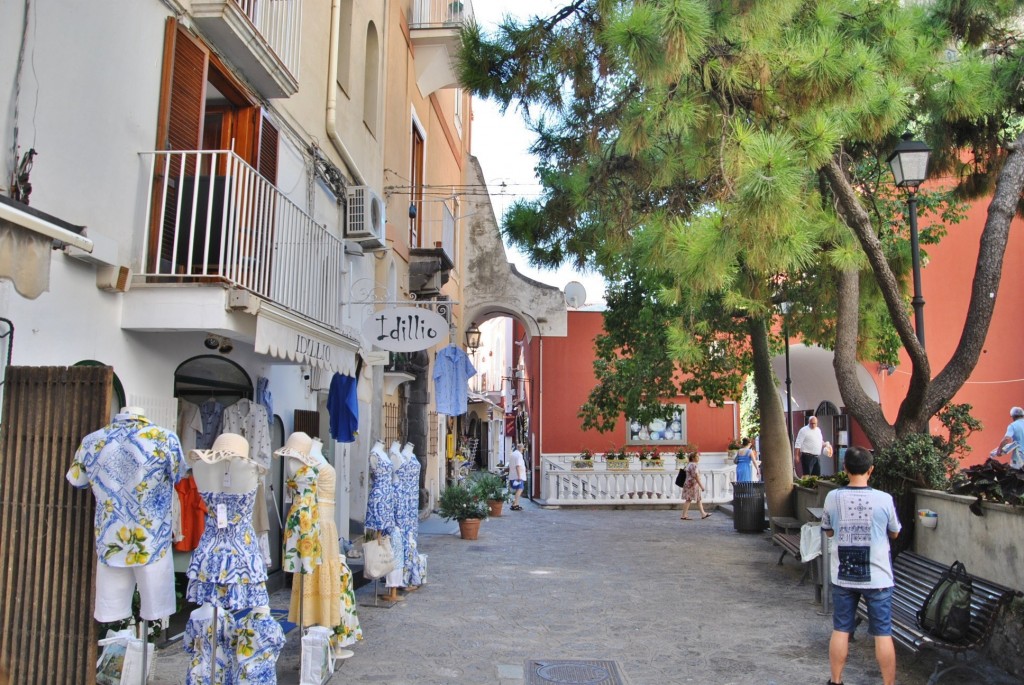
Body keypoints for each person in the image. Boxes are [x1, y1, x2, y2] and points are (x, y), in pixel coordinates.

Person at [820, 446, 901, 685]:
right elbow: (895, 532)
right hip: (878, 576)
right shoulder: (884, 499)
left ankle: (836, 681)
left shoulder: (833, 497)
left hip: (844, 574)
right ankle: (888, 683)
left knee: (841, 629)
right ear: (871, 470)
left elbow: (828, 530)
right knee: (883, 632)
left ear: (845, 469)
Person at [680, 452, 710, 520]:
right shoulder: (693, 465)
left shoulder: (689, 464)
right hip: (691, 485)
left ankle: (703, 514)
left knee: (698, 499)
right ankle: (684, 515)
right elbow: (696, 476)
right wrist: (701, 486)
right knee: (688, 499)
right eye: (697, 456)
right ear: (693, 458)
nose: (698, 458)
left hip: (690, 484)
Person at [509, 444, 527, 511]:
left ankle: (515, 503)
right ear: (521, 449)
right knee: (520, 489)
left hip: (513, 475)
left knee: (517, 490)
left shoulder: (513, 454)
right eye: (523, 449)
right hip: (517, 476)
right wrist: (519, 476)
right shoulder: (519, 455)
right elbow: (518, 466)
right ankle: (515, 504)